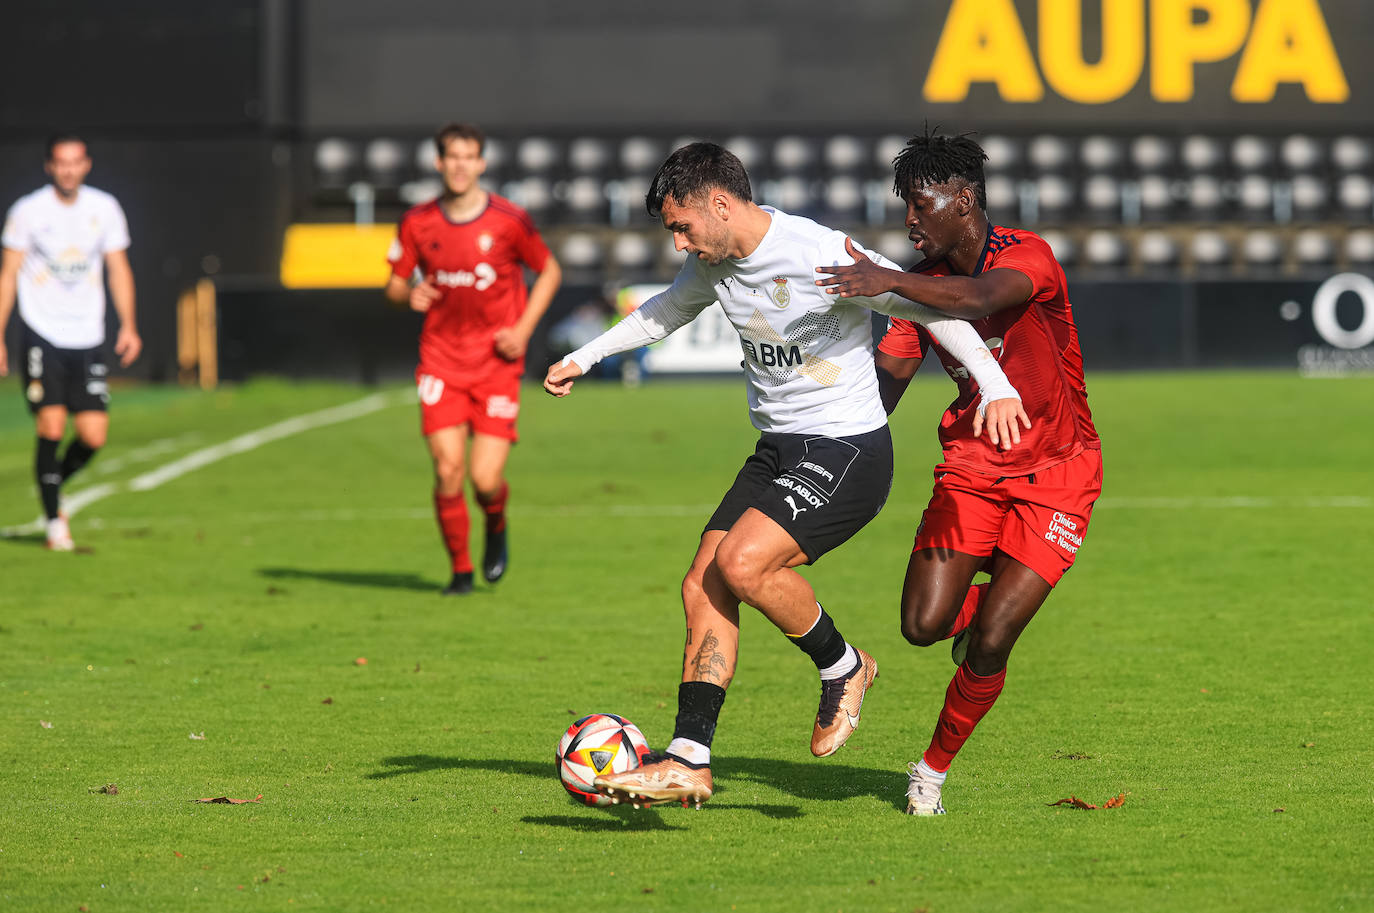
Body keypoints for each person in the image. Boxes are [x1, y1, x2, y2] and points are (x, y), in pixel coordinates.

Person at [543, 142, 1029, 809]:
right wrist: (585, 355)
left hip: (847, 450)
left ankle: (845, 665)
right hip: (779, 449)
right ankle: (689, 759)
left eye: (682, 226)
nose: (680, 243)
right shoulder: (714, 267)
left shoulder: (818, 252)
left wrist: (996, 384)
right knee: (703, 582)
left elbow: (934, 312)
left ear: (719, 204)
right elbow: (662, 311)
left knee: (743, 563)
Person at [816, 129, 1101, 816]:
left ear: (964, 199)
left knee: (997, 637)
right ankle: (981, 610)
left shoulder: (1026, 255)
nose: (909, 222)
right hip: (974, 467)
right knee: (921, 624)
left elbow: (977, 300)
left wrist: (887, 281)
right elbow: (885, 387)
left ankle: (930, 774)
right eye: (905, 208)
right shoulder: (923, 292)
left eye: (920, 205)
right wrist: (822, 420)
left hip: (1059, 472)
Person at [384, 122, 562, 595]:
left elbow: (549, 271)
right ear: (439, 163)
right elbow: (395, 284)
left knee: (485, 479)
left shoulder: (509, 220)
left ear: (481, 163)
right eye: (452, 157)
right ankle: (460, 572)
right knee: (447, 470)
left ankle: (496, 521)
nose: (460, 165)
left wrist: (522, 332)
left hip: (495, 366)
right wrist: (409, 294)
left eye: (470, 157)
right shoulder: (417, 221)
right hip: (440, 362)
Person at [0, 133, 141, 551]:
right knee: (52, 423)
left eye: (75, 162)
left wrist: (129, 325)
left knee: (94, 435)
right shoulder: (28, 212)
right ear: (49, 166)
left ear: (86, 165)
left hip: (88, 336)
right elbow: (8, 275)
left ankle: (51, 483)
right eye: (60, 162)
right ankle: (54, 523)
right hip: (42, 332)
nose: (68, 170)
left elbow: (119, 269)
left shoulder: (104, 209)